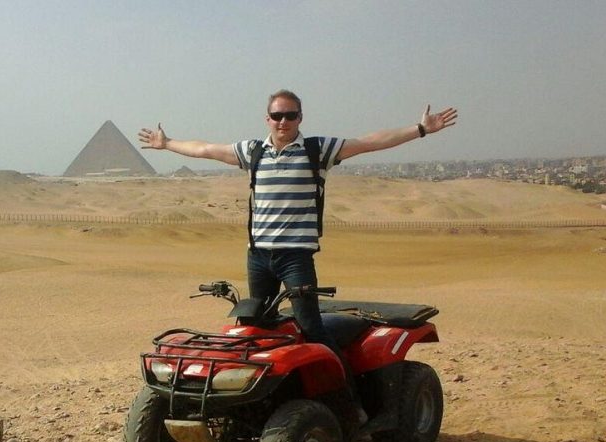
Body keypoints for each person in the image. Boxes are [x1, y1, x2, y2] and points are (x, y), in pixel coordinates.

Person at [138, 89, 458, 422]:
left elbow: (369, 142)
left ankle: (348, 406)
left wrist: (420, 129)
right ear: (267, 119)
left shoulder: (316, 150)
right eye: (277, 115)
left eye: (290, 115)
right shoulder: (253, 151)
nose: (283, 122)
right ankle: (260, 405)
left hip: (296, 257)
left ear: (300, 118)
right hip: (259, 257)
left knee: (311, 328)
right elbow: (205, 149)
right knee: (254, 330)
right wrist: (168, 143)